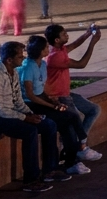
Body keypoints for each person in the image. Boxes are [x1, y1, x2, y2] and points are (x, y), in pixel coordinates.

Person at [0, 41, 61, 192]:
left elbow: (18, 100)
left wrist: (30, 113)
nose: (23, 58)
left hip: (8, 112)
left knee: (49, 124)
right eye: (20, 56)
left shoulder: (12, 72)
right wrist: (25, 118)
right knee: (29, 131)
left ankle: (49, 170)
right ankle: (30, 180)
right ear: (9, 59)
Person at [19, 35, 91, 176]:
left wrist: (53, 101)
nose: (48, 49)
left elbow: (41, 90)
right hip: (29, 104)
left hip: (40, 100)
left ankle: (73, 158)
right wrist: (51, 106)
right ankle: (79, 147)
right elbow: (30, 95)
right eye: (46, 47)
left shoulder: (43, 64)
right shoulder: (28, 67)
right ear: (40, 50)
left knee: (68, 117)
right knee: (66, 118)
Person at [43, 23, 103, 155]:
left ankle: (78, 145)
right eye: (64, 34)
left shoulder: (60, 49)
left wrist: (87, 34)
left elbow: (74, 44)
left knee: (94, 109)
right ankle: (79, 147)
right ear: (57, 40)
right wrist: (92, 43)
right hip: (58, 96)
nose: (67, 35)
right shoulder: (55, 56)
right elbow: (82, 64)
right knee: (73, 120)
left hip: (65, 93)